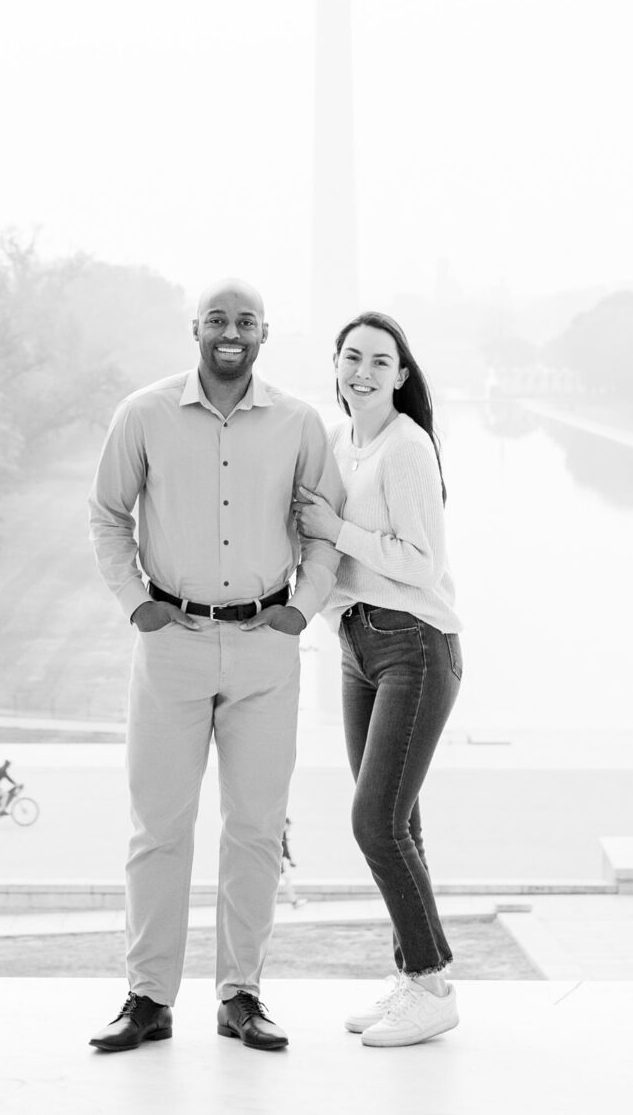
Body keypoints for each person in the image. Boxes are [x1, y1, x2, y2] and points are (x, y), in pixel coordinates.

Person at [86, 278, 343, 1055]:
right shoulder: (143, 414)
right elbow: (106, 514)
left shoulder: (299, 422)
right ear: (194, 328)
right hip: (171, 642)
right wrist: (137, 604)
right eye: (218, 320)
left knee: (257, 828)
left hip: (265, 643)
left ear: (264, 334)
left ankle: (241, 995)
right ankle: (147, 999)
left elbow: (325, 529)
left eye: (246, 322)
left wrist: (303, 606)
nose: (231, 332)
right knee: (159, 827)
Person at [296, 310, 463, 1049]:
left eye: (378, 360)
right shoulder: (340, 442)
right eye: (351, 357)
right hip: (357, 643)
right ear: (335, 365)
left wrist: (336, 531)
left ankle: (430, 982)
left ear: (400, 375)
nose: (361, 370)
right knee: (402, 823)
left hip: (415, 646)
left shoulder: (406, 447)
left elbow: (420, 561)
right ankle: (412, 981)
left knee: (374, 822)